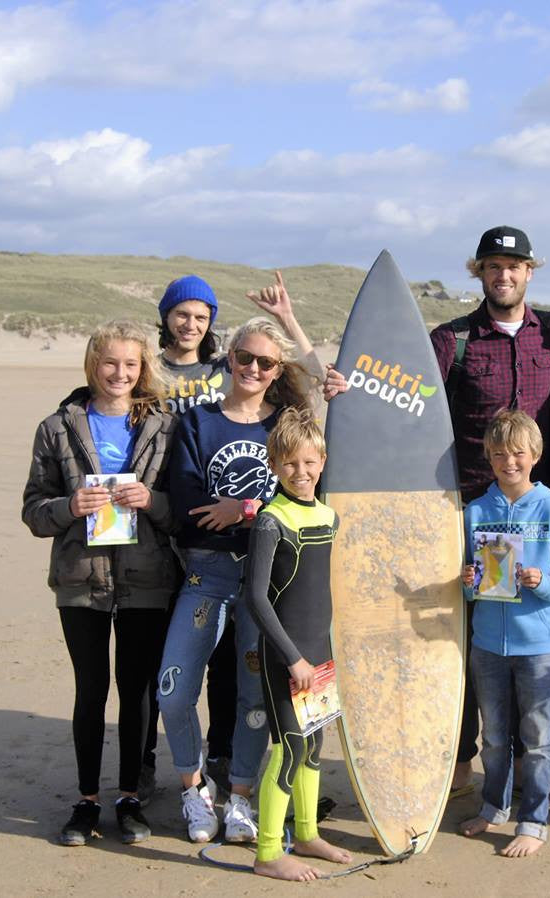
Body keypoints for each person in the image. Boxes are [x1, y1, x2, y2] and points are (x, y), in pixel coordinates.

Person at [323, 229, 550, 794]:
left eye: (513, 266)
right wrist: (349, 387)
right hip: (465, 509)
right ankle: (459, 757)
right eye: (492, 267)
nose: (503, 276)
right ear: (479, 273)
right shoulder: (452, 339)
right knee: (460, 631)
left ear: (529, 271)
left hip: (534, 507)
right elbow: (399, 392)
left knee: (522, 625)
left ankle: (521, 765)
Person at [148, 272, 323, 801]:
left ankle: (242, 797)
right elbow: (188, 506)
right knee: (174, 693)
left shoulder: (288, 426)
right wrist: (248, 511)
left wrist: (244, 509)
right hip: (207, 575)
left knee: (253, 697)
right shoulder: (199, 423)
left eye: (265, 362)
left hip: (268, 584)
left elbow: (305, 491)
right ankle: (194, 789)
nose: (252, 368)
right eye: (244, 357)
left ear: (276, 370)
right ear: (228, 358)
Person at [22, 321, 179, 845]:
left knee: (136, 693)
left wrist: (151, 502)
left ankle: (130, 798)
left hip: (148, 578)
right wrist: (68, 506)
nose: (119, 373)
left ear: (142, 369)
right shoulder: (56, 427)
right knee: (91, 690)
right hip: (79, 579)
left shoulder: (165, 425)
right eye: (110, 363)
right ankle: (87, 801)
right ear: (93, 364)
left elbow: (182, 510)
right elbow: (33, 510)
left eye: (130, 364)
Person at [459, 411, 550, 857]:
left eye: (517, 453)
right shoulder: (474, 511)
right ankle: (494, 806)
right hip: (487, 644)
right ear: (488, 459)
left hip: (537, 646)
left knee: (536, 739)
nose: (508, 462)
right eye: (498, 454)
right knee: (495, 736)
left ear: (534, 456)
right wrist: (466, 578)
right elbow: (464, 578)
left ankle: (533, 820)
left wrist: (544, 581)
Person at [242, 408, 352, 881]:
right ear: (274, 466)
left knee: (313, 746)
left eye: (309, 463)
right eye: (289, 464)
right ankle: (269, 851)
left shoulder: (328, 515)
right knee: (288, 748)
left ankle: (306, 834)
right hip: (287, 657)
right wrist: (294, 659)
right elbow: (255, 598)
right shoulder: (272, 520)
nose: (300, 472)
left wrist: (322, 657)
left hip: (319, 656)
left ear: (322, 461)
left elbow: (322, 594)